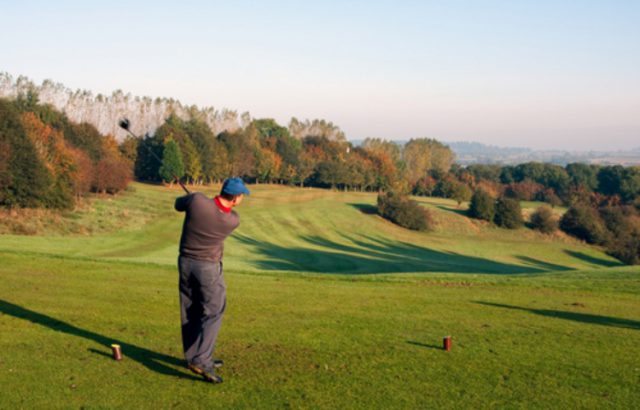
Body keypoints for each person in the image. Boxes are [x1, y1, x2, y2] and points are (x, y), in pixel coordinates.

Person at [174, 177, 250, 383]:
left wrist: (192, 199)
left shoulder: (197, 200)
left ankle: (192, 357)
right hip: (208, 268)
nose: (242, 198)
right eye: (242, 195)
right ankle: (202, 360)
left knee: (190, 309)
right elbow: (218, 211)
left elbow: (178, 204)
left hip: (185, 263)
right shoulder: (233, 219)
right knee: (214, 311)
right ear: (235, 198)